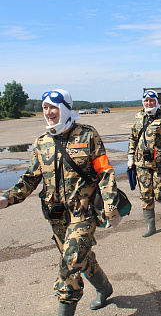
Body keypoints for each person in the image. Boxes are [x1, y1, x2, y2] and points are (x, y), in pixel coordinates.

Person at [0, 89, 118, 316]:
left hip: (83, 214)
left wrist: (111, 207)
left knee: (70, 267)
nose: (48, 112)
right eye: (45, 107)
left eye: (53, 106)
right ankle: (104, 288)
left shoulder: (88, 135)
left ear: (65, 107)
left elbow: (105, 172)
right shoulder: (42, 142)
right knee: (80, 258)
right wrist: (7, 198)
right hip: (56, 217)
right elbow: (30, 178)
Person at [128, 90, 161, 237]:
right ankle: (151, 226)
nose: (148, 103)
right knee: (145, 195)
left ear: (157, 102)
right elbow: (132, 138)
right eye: (146, 101)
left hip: (159, 163)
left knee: (160, 193)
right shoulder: (138, 117)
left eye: (151, 101)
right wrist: (130, 156)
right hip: (141, 164)